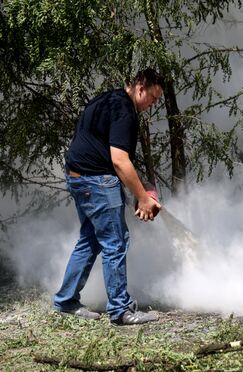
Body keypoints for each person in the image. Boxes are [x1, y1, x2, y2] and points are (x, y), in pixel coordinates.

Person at [53, 69, 164, 325]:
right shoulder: (124, 112)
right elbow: (119, 161)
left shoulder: (107, 99)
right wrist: (144, 199)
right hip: (96, 181)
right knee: (116, 241)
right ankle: (120, 310)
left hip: (78, 177)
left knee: (90, 238)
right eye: (153, 98)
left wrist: (141, 189)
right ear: (140, 89)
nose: (152, 105)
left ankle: (66, 299)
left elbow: (111, 153)